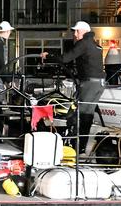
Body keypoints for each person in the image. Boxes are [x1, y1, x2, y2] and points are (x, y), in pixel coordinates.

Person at [41, 21, 105, 153]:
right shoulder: (95, 44)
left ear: (84, 31)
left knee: (78, 114)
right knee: (87, 115)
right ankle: (81, 146)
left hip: (89, 83)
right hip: (99, 83)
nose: (75, 34)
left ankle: (75, 146)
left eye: (77, 31)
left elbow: (66, 58)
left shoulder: (84, 43)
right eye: (74, 31)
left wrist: (49, 57)